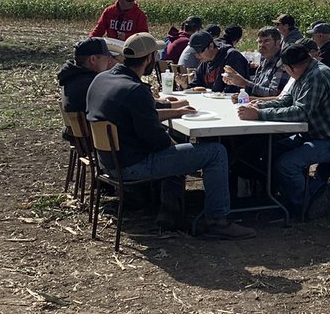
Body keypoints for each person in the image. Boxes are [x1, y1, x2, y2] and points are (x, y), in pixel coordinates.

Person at [86, 32, 252, 238]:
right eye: (156, 55)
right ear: (149, 58)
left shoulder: (101, 79)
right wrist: (175, 144)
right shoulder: (135, 90)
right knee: (216, 152)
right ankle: (218, 220)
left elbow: (136, 116)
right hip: (132, 166)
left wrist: (174, 116)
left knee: (181, 147)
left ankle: (171, 213)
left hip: (109, 162)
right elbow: (155, 141)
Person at [239, 43, 330, 218]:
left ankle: (306, 201)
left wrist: (259, 114)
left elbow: (300, 112)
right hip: (317, 135)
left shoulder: (317, 76)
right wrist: (259, 106)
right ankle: (302, 192)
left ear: (290, 68)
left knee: (287, 164)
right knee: (271, 152)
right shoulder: (306, 72)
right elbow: (286, 100)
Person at [58, 38, 118, 139]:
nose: (109, 61)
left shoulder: (70, 78)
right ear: (93, 59)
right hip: (98, 141)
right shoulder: (94, 85)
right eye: (106, 57)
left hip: (82, 139)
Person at [224, 27, 288, 98]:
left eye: (266, 41)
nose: (262, 45)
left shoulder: (282, 63)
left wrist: (244, 83)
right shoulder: (264, 60)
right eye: (260, 42)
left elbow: (274, 93)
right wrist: (236, 81)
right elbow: (257, 85)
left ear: (277, 43)